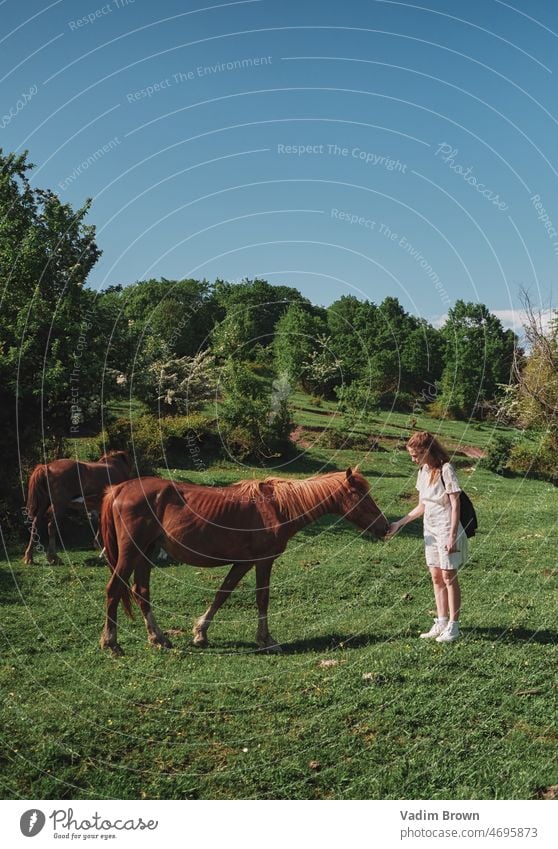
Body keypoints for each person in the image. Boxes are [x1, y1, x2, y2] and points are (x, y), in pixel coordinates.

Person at [386, 431, 468, 642]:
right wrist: (399, 523)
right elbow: (423, 505)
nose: (413, 459)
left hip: (446, 527)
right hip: (429, 528)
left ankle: (454, 626)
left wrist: (452, 537)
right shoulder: (423, 470)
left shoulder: (446, 469)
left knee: (449, 576)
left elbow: (456, 504)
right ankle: (441, 621)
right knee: (436, 576)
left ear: (427, 451)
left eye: (416, 455)